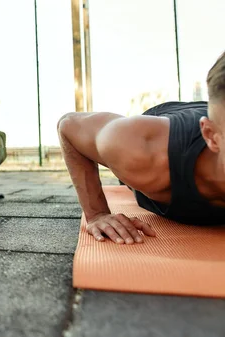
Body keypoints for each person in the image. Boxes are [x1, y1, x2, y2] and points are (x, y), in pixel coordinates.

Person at [58, 51, 225, 245]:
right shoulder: (140, 150)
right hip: (166, 129)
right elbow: (69, 126)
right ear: (212, 137)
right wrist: (97, 213)